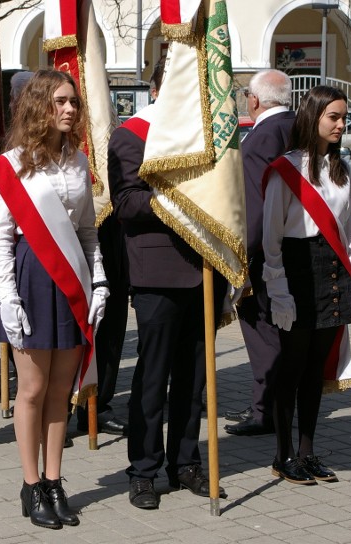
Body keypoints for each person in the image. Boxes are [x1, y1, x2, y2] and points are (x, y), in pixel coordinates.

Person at [0, 70, 107, 529]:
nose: (70, 109)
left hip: (71, 278)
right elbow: (0, 237)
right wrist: (8, 296)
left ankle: (56, 481)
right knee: (33, 390)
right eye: (60, 101)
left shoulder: (78, 161)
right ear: (40, 105)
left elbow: (89, 232)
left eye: (73, 101)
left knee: (62, 390)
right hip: (32, 277)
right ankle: (31, 483)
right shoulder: (12, 163)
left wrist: (99, 282)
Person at [109, 62, 227, 510]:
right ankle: (143, 470)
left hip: (204, 270)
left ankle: (186, 463)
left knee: (194, 379)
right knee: (153, 378)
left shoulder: (208, 136)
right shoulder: (130, 136)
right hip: (157, 273)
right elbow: (126, 203)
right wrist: (176, 196)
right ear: (158, 88)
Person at [262, 85, 351, 485]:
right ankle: (283, 454)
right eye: (334, 117)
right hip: (297, 270)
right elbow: (270, 239)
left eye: (344, 117)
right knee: (291, 370)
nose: (342, 124)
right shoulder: (285, 169)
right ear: (314, 118)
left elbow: (350, 233)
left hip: (331, 274)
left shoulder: (341, 170)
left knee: (314, 373)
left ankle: (307, 452)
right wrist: (278, 289)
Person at [225, 69, 295, 436]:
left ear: (254, 100)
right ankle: (281, 404)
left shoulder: (260, 138)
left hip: (266, 252)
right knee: (285, 330)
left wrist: (241, 255)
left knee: (261, 328)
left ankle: (265, 409)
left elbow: (256, 204)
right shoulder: (298, 126)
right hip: (298, 245)